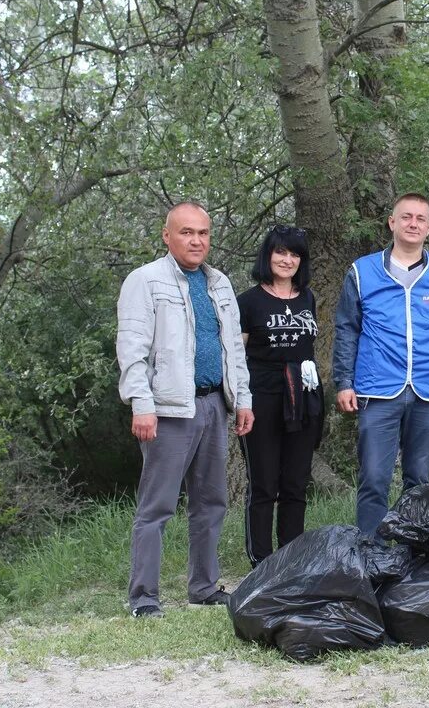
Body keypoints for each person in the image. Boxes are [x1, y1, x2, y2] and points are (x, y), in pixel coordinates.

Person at [117, 201, 254, 618]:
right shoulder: (145, 281)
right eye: (186, 232)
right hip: (168, 410)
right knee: (157, 506)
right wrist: (142, 404)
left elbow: (233, 348)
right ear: (167, 235)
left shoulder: (220, 284)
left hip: (215, 404)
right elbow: (132, 349)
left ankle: (204, 586)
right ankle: (144, 598)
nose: (196, 240)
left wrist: (242, 398)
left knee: (211, 502)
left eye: (203, 233)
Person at [333, 193, 429, 536]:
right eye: (406, 217)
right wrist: (344, 381)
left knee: (419, 480)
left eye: (420, 219)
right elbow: (346, 329)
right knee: (374, 478)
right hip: (377, 388)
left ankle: (416, 555)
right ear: (392, 222)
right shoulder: (362, 271)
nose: (413, 224)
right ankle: (371, 554)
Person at [237, 225, 323, 568]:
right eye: (281, 252)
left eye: (294, 254)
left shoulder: (309, 298)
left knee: (295, 481)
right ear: (267, 255)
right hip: (263, 398)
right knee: (264, 482)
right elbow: (236, 357)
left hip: (303, 397)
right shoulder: (248, 301)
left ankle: (292, 557)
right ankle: (262, 560)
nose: (287, 260)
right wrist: (241, 401)